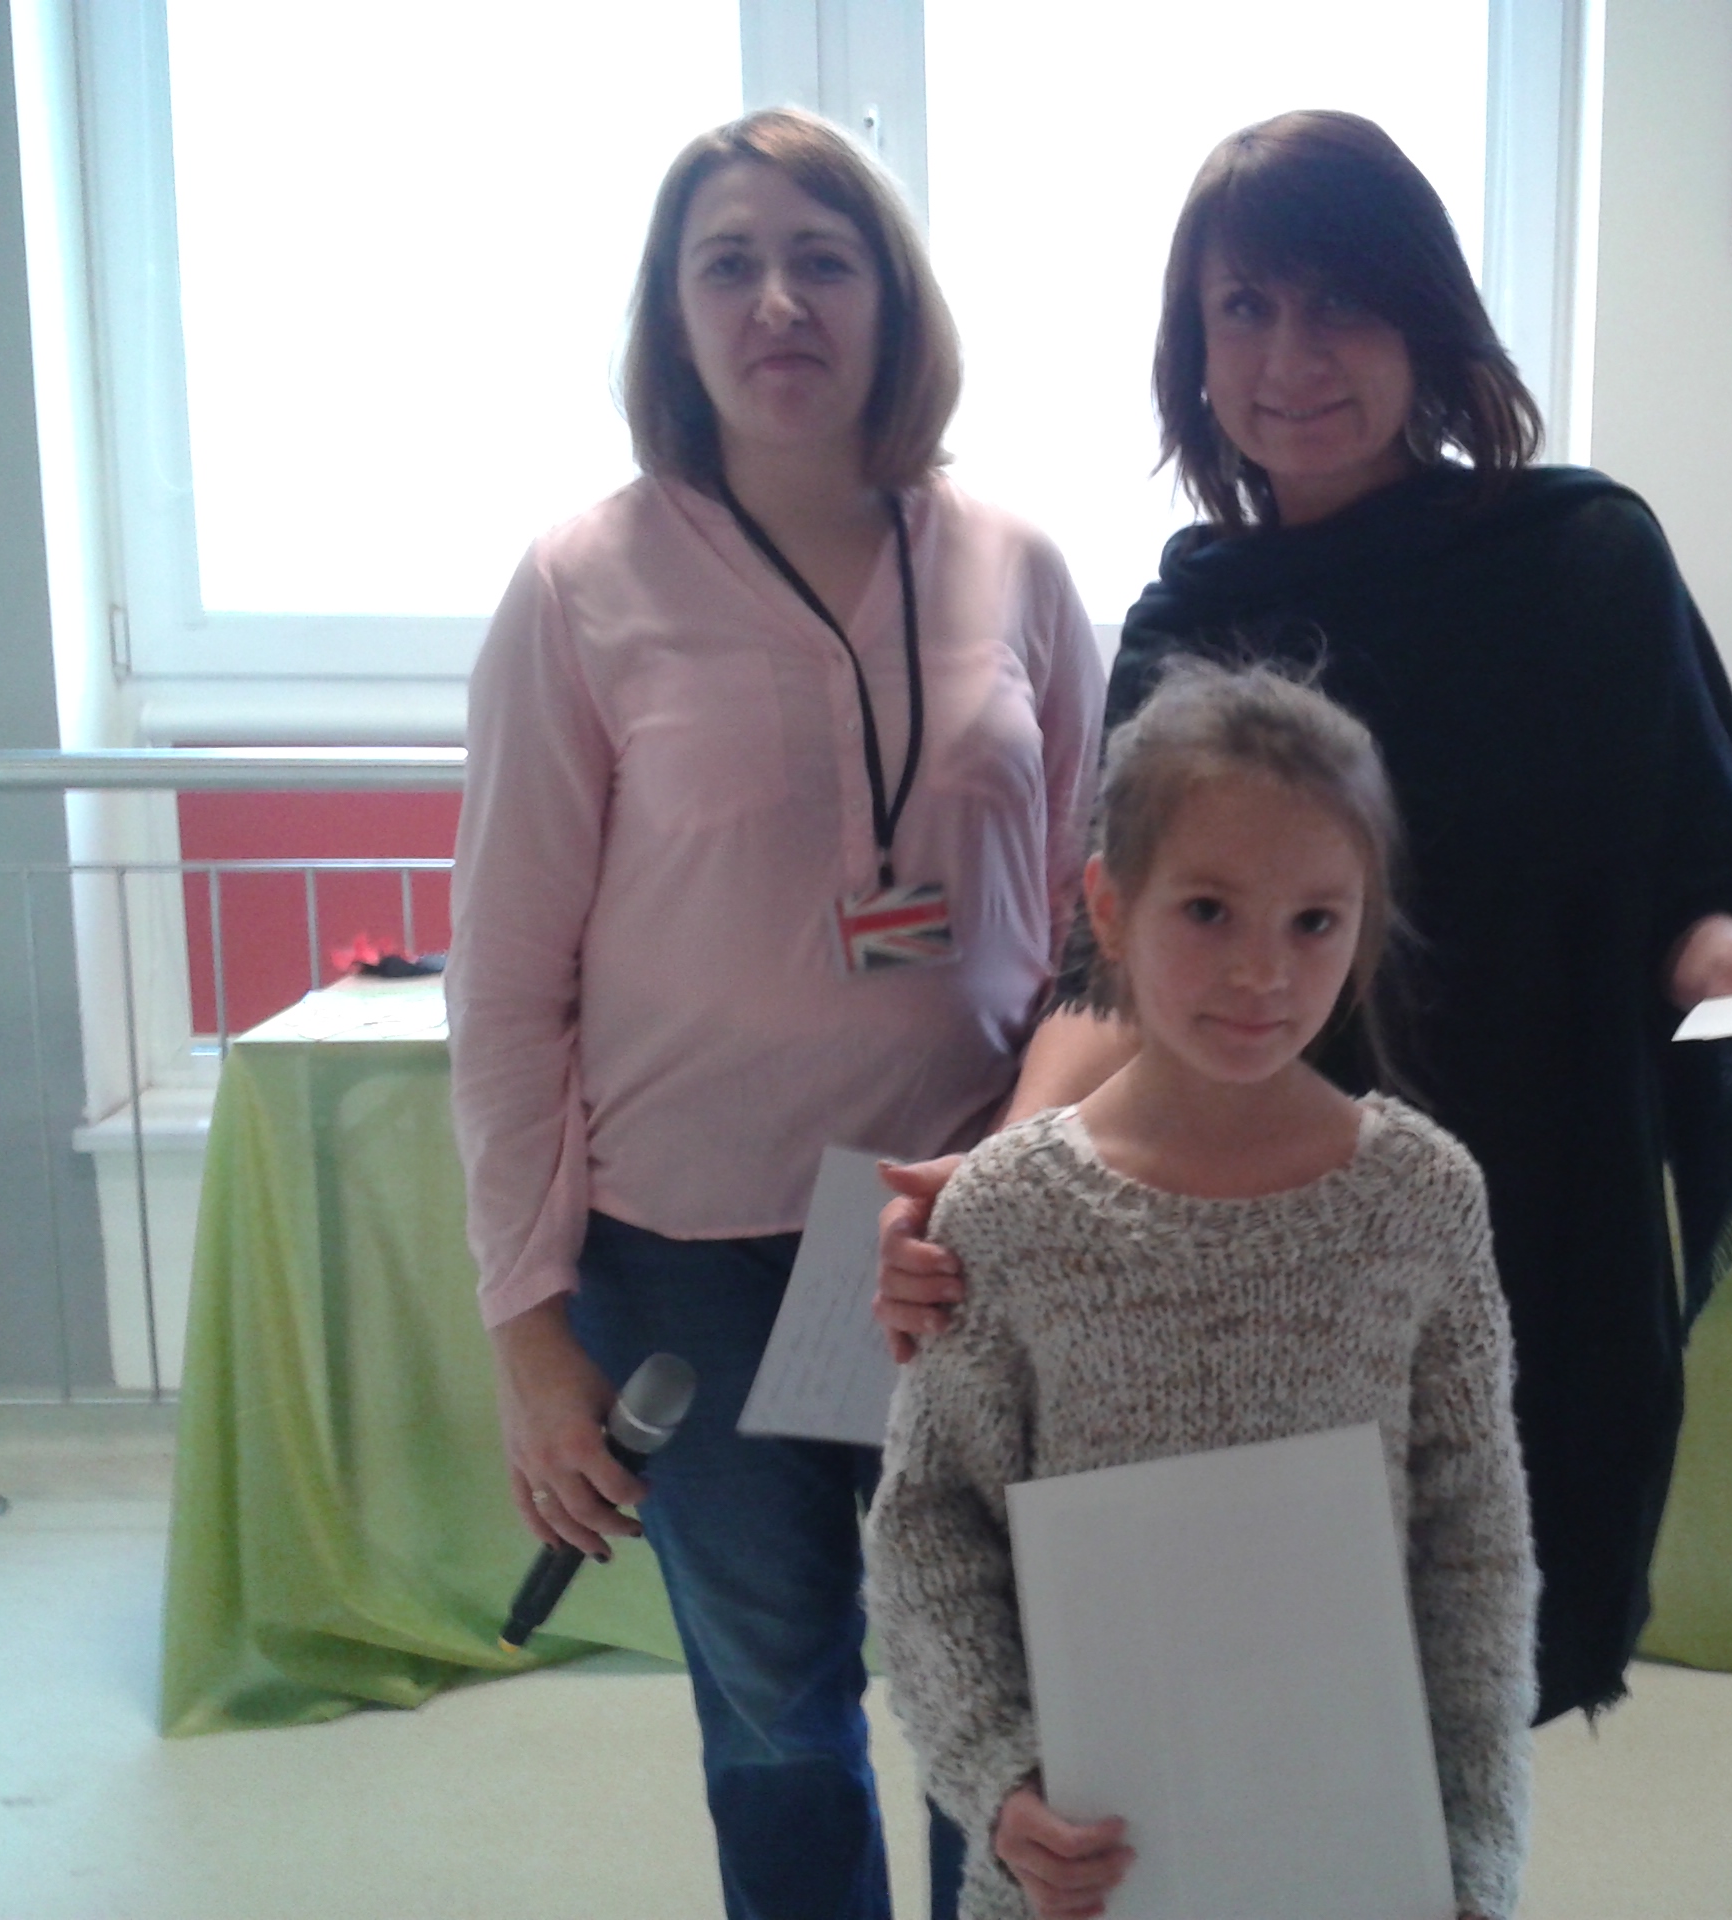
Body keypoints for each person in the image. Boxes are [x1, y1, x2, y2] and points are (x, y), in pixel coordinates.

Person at [876, 110, 1732, 1726]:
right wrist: (991, 1176)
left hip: (1520, 1240)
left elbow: (1687, 890)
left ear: (1424, 317)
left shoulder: (1585, 561)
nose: (1292, 357)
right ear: (1193, 352)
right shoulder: (1190, 618)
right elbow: (1113, 970)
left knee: (1460, 1692)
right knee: (1251, 1709)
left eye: (1339, 301)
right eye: (1244, 308)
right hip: (1238, 1256)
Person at [447, 108, 1103, 1920]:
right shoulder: (581, 586)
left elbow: (1088, 919)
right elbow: (503, 989)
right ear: (673, 315)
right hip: (687, 1259)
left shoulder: (1018, 566)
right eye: (727, 263)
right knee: (775, 1702)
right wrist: (527, 1333)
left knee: (1003, 1691)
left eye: (825, 259)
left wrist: (1038, 1164)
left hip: (964, 1231)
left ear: (895, 301)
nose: (780, 301)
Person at [865, 661, 1536, 1920]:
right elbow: (930, 1529)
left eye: (1314, 922)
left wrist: (1476, 1859)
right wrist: (997, 1779)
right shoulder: (1008, 1214)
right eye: (1209, 911)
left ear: (1365, 923)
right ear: (1109, 908)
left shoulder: (1420, 1199)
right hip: (1089, 1867)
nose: (1261, 974)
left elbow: (1473, 1553)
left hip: (1351, 1854)